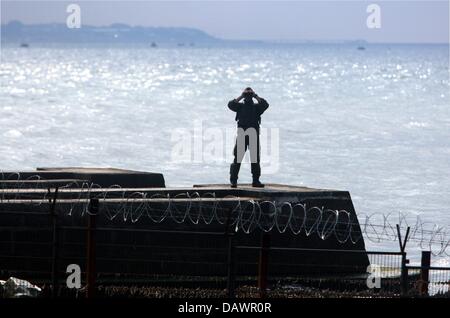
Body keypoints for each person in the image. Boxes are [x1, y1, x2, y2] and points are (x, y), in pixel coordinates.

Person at [228, 87, 269, 188]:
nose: (248, 97)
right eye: (247, 95)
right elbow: (230, 104)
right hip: (242, 135)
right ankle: (233, 181)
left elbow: (265, 104)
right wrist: (242, 95)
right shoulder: (240, 106)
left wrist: (255, 95)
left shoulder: (256, 107)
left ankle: (256, 181)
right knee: (237, 159)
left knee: (255, 159)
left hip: (253, 135)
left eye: (249, 95)